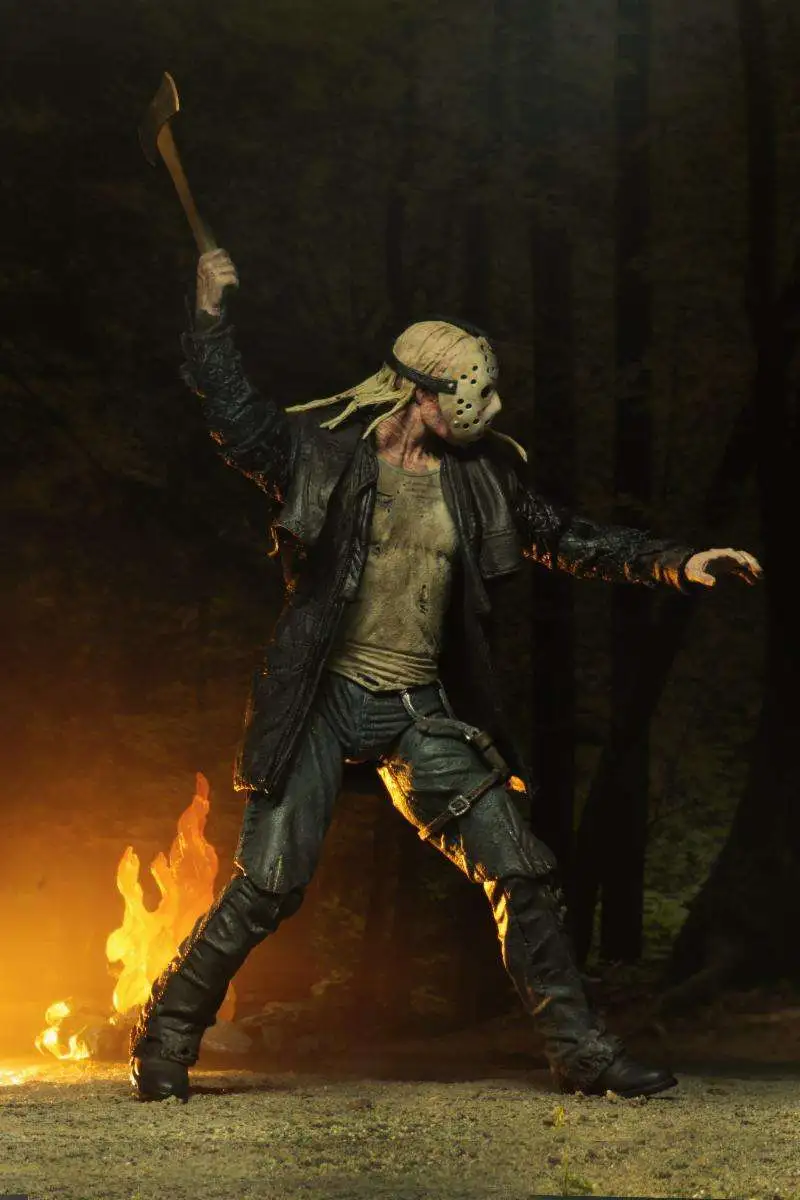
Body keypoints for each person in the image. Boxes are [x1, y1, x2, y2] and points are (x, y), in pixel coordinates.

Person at [130, 248, 762, 1103]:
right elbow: (237, 418)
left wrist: (676, 562)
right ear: (417, 393)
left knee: (521, 869)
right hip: (321, 698)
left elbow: (565, 536)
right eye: (474, 391)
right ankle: (164, 1037)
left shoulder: (484, 479)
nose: (490, 407)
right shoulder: (325, 458)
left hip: (417, 711)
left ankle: (581, 1054)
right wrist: (208, 315)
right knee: (269, 885)